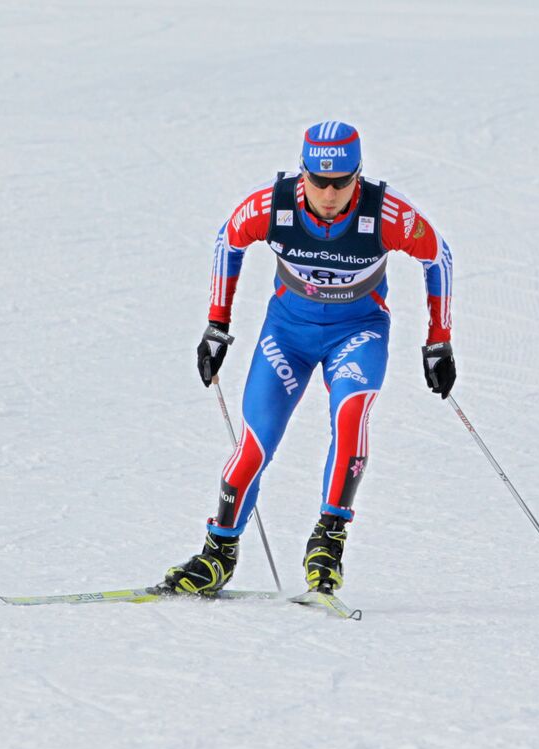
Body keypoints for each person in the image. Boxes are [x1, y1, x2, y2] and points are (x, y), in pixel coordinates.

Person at [161, 121, 455, 596]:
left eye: (342, 182)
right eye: (319, 181)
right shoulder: (272, 206)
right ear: (304, 173)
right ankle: (218, 553)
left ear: (358, 175)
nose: (330, 193)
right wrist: (217, 326)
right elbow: (228, 240)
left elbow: (436, 256)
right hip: (288, 336)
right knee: (254, 444)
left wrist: (438, 341)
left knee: (352, 414)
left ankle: (328, 542)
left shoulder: (386, 214)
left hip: (356, 333)